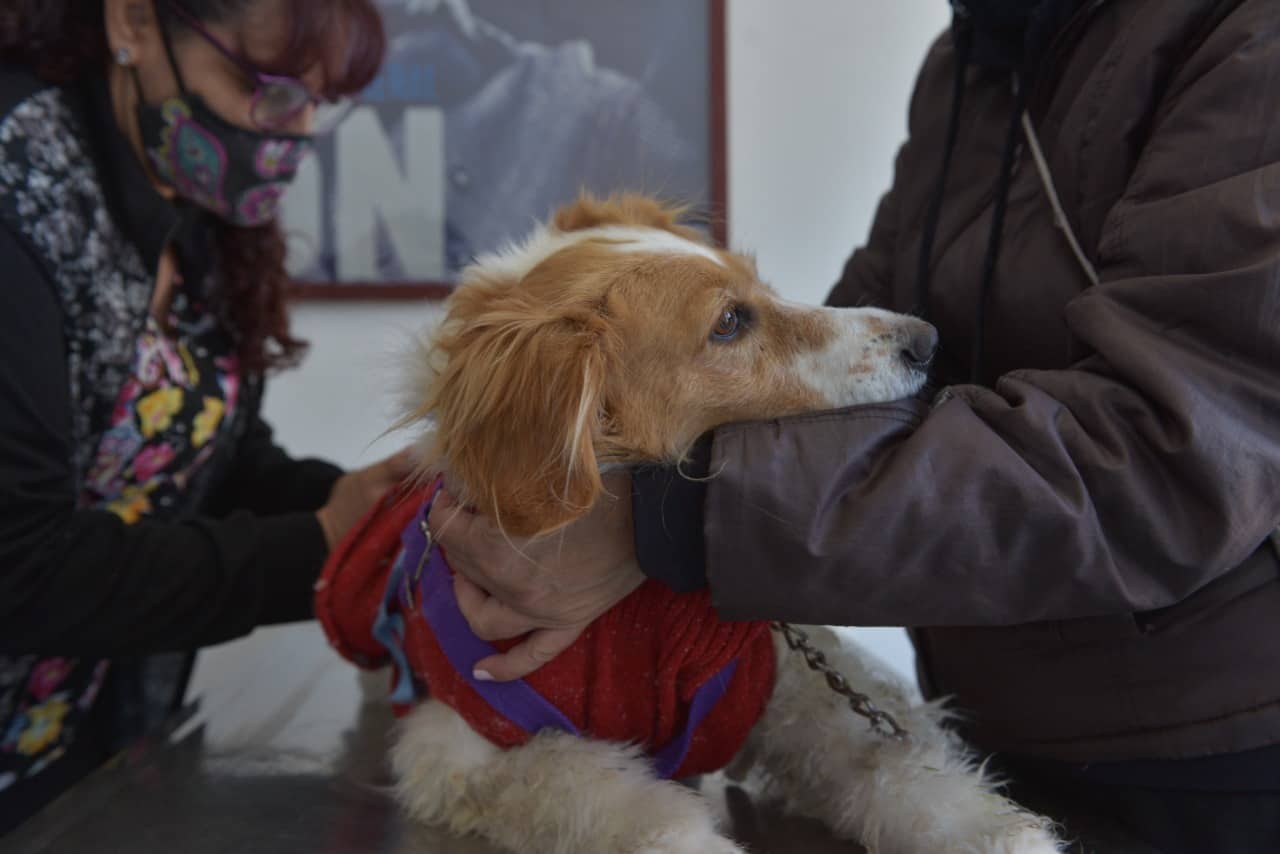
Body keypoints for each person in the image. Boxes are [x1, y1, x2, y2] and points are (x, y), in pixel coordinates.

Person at [427, 1, 1280, 851]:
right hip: (984, 714)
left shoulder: (1245, 37)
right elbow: (870, 347)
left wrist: (664, 519)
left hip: (1206, 753)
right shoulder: (973, 54)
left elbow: (1173, 454)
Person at [0, 0, 408, 832]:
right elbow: (19, 566)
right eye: (268, 89)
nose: (291, 136)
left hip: (71, 746)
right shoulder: (18, 188)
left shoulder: (182, 197)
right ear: (133, 24)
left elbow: (203, 457)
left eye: (316, 104)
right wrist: (325, 543)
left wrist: (386, 516)